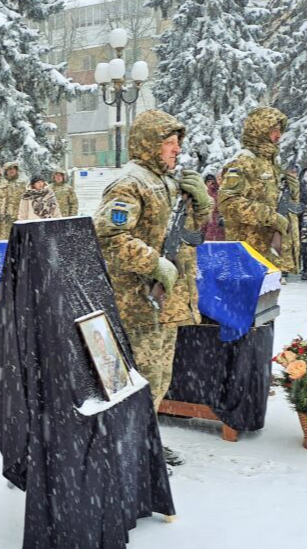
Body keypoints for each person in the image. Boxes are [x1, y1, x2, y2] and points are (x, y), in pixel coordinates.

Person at [93, 109, 212, 466]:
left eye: (178, 143)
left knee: (158, 379)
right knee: (137, 380)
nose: (176, 150)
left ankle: (143, 443)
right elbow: (108, 236)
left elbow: (188, 235)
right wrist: (154, 264)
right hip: (137, 303)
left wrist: (202, 204)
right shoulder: (130, 183)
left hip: (164, 305)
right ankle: (125, 452)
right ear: (149, 144)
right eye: (169, 143)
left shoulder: (166, 181)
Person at [218, 107, 300, 277]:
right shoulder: (243, 163)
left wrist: (291, 193)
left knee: (266, 301)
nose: (278, 135)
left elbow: (270, 199)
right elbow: (228, 203)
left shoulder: (270, 164)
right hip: (246, 251)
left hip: (265, 251)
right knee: (247, 300)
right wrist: (271, 216)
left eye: (280, 130)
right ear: (259, 131)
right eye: (273, 130)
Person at [201, 173, 225, 241]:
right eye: (208, 181)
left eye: (211, 181)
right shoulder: (202, 193)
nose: (210, 183)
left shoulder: (218, 192)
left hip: (217, 220)